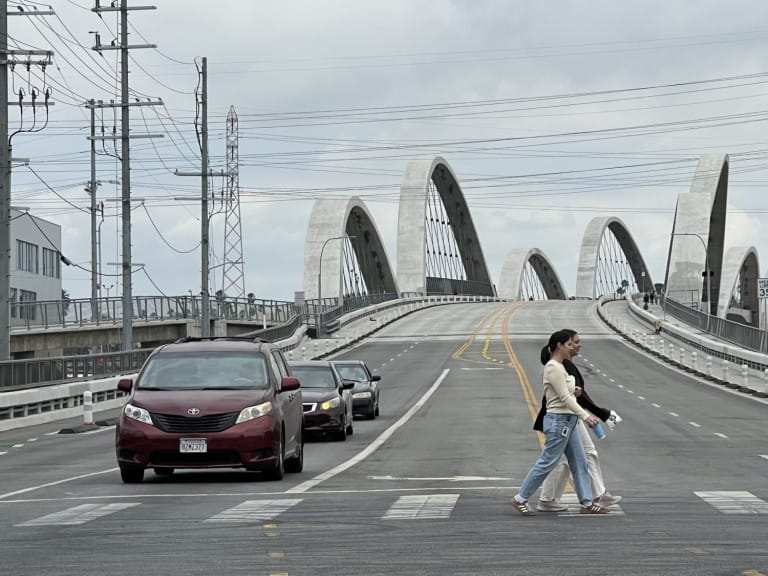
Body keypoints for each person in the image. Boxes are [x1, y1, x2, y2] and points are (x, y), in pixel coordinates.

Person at [510, 330, 610, 516]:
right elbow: (564, 397)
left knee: (579, 461)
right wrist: (585, 416)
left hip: (568, 421)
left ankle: (587, 503)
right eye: (570, 344)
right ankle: (520, 498)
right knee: (548, 461)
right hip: (558, 421)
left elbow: (566, 391)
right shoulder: (553, 367)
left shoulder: (561, 366)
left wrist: (575, 390)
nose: (573, 347)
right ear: (559, 345)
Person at [533, 329, 623, 512]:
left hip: (568, 416)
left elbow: (576, 395)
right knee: (564, 459)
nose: (578, 345)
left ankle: (558, 498)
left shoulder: (566, 365)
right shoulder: (561, 365)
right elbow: (570, 398)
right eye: (574, 342)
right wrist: (596, 415)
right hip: (562, 417)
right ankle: (535, 498)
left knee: (572, 458)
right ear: (562, 345)